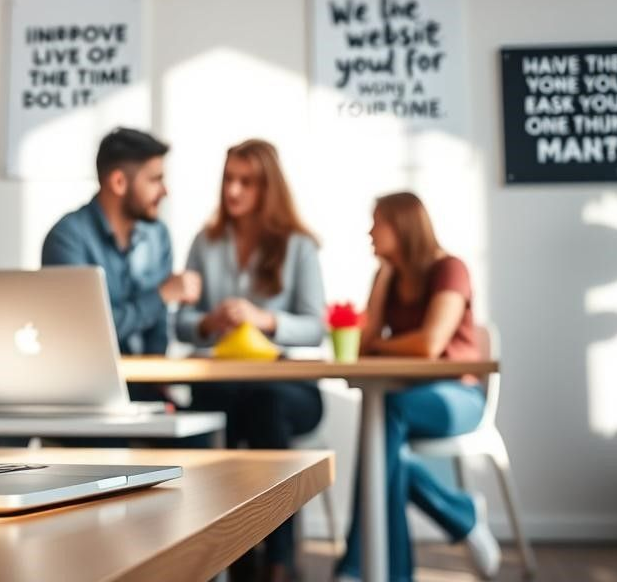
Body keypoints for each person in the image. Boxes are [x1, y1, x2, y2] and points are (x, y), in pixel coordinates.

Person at [175, 139, 325, 582]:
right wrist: (208, 323)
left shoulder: (299, 246)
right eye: (228, 180)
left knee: (267, 405)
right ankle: (217, 550)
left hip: (288, 386)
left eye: (246, 182)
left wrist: (266, 320)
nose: (233, 191)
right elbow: (181, 324)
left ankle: (272, 555)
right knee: (208, 408)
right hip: (224, 382)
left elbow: (316, 327)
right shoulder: (206, 242)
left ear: (267, 187)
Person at [336, 192, 500, 582]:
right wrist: (383, 277)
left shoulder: (450, 269)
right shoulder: (389, 276)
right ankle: (459, 514)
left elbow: (430, 344)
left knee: (384, 421)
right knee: (385, 447)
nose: (369, 231)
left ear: (402, 225)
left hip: (459, 396)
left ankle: (362, 568)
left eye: (378, 222)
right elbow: (364, 343)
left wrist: (378, 345)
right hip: (408, 397)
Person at [41, 128, 200, 399]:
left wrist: (156, 379)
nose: (164, 191)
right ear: (118, 182)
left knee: (198, 436)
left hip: (141, 381)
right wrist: (160, 296)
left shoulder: (157, 235)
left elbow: (158, 328)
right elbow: (86, 333)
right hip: (85, 386)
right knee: (112, 440)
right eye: (155, 180)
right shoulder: (67, 238)